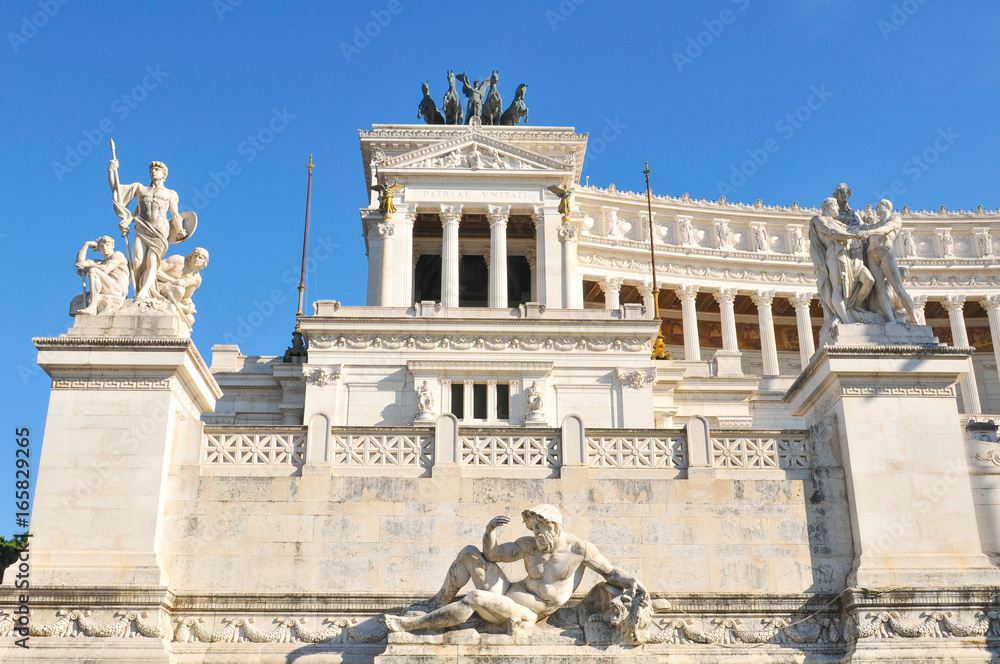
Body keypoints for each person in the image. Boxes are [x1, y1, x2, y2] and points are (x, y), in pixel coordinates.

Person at [383, 505, 646, 633]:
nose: (536, 535)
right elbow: (491, 555)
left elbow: (610, 573)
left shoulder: (580, 549)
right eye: (533, 529)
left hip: (528, 612)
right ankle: (438, 601)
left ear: (554, 527)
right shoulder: (527, 545)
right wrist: (489, 532)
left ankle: (412, 625)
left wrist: (633, 582)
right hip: (507, 590)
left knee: (475, 597)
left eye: (540, 530)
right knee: (469, 554)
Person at [110, 159, 188, 300]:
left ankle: (144, 292)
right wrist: (111, 170)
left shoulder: (170, 194)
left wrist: (180, 229)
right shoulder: (140, 188)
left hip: (160, 230)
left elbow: (175, 214)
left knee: (152, 261)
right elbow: (117, 191)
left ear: (164, 174)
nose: (153, 172)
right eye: (151, 170)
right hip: (142, 227)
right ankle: (139, 289)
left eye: (157, 170)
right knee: (137, 261)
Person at [857, 200, 916, 323]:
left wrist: (868, 232)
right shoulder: (874, 225)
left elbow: (885, 230)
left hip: (885, 252)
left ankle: (914, 317)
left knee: (899, 289)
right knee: (880, 288)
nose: (876, 208)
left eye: (878, 206)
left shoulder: (895, 219)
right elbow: (859, 229)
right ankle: (890, 319)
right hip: (871, 256)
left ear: (887, 206)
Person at [75, 236, 129, 315]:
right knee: (77, 300)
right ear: (98, 248)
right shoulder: (99, 263)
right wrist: (86, 245)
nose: (105, 248)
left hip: (119, 289)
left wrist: (87, 268)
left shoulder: (118, 255)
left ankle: (92, 307)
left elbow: (106, 269)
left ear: (112, 246)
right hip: (107, 289)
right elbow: (80, 263)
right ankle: (92, 305)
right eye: (102, 246)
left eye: (107, 245)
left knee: (93, 270)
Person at [155, 247, 208, 327]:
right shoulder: (178, 260)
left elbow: (186, 297)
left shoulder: (197, 279)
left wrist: (191, 305)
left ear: (204, 262)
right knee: (179, 290)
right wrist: (173, 281)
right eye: (195, 255)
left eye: (200, 257)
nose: (197, 259)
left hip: (174, 297)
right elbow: (155, 270)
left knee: (190, 319)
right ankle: (170, 309)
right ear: (191, 256)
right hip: (158, 287)